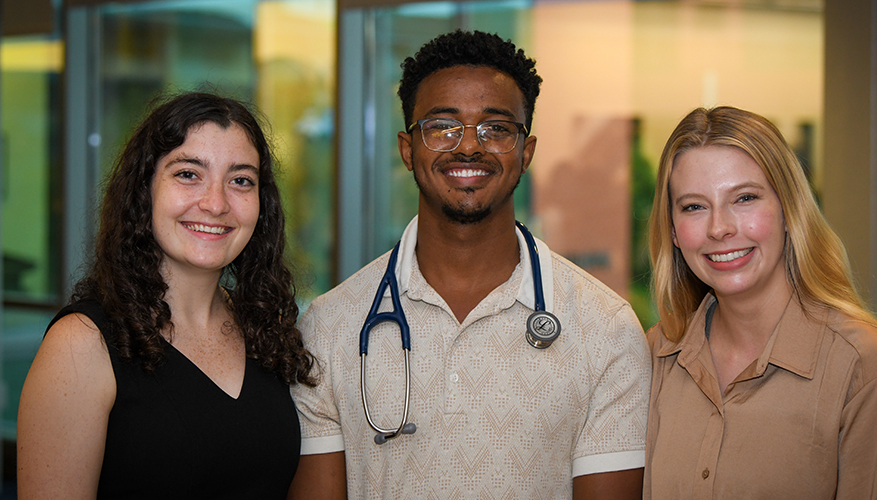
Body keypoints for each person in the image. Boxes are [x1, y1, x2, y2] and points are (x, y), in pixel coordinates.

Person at [288, 30, 650, 499]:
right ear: (407, 149)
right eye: (442, 126)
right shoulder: (331, 327)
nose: (468, 147)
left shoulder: (607, 331)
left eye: (496, 129)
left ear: (526, 153)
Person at [17, 91, 316, 499]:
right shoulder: (82, 343)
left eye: (240, 180)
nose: (215, 203)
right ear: (145, 191)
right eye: (188, 174)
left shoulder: (265, 331)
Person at [644, 106, 877, 498]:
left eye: (744, 198)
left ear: (789, 210)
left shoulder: (865, 366)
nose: (719, 228)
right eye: (694, 206)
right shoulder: (656, 351)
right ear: (673, 231)